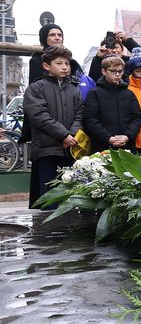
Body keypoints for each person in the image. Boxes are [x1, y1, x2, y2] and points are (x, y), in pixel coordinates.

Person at [23, 47, 83, 206]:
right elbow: (39, 116)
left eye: (67, 63)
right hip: (47, 150)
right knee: (49, 195)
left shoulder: (74, 89)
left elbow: (81, 113)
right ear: (46, 66)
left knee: (70, 193)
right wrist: (63, 135)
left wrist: (72, 134)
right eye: (59, 63)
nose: (65, 67)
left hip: (70, 150)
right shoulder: (36, 88)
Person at [83, 56, 141, 153]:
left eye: (120, 71)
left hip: (127, 146)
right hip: (103, 147)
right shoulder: (94, 93)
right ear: (104, 71)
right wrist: (108, 137)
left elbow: (137, 118)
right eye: (113, 71)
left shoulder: (129, 94)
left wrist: (127, 136)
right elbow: (90, 120)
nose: (118, 74)